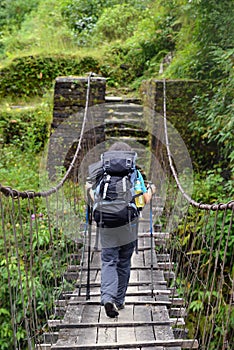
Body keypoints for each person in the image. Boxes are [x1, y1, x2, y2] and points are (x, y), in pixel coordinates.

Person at [88, 142, 154, 318]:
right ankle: (119, 300)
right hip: (128, 224)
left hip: (107, 223)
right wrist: (151, 190)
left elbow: (94, 196)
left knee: (109, 260)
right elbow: (143, 200)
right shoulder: (134, 173)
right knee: (124, 261)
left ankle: (107, 297)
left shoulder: (102, 173)